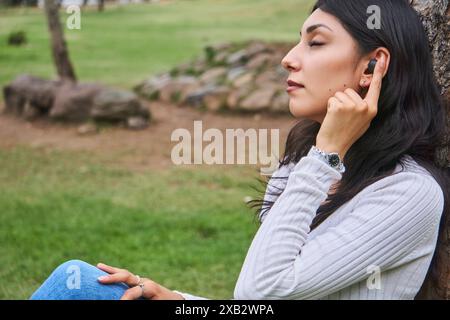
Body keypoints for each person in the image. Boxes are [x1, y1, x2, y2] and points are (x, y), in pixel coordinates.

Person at [30, 0, 449, 300]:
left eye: (315, 43)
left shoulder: (409, 193)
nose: (288, 59)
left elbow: (261, 289)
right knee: (83, 282)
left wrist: (326, 154)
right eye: (297, 42)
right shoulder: (306, 160)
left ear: (372, 66)